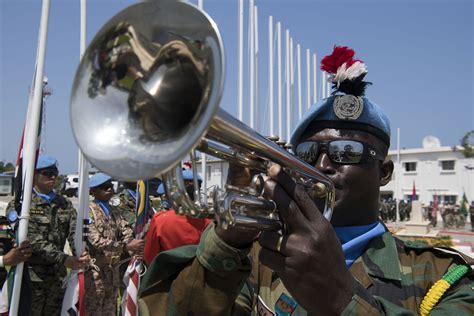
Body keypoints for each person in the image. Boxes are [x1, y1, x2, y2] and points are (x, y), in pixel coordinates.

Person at [137, 46, 473, 315]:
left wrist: (341, 299)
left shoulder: (443, 276)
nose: (324, 164)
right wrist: (225, 245)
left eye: (347, 150)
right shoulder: (256, 259)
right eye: (309, 152)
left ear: (384, 172)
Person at [6, 155, 89, 316]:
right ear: (34, 175)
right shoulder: (21, 204)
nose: (52, 177)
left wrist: (80, 251)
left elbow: (74, 231)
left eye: (55, 173)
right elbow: (33, 239)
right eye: (47, 173)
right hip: (31, 277)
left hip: (57, 278)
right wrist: (65, 259)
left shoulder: (64, 203)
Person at [85, 172, 144, 315]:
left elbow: (126, 231)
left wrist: (133, 245)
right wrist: (125, 247)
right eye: (104, 187)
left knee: (110, 308)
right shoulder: (88, 211)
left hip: (113, 270)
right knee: (94, 309)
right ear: (93, 191)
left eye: (110, 186)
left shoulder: (114, 211)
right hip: (95, 271)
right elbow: (96, 241)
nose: (109, 189)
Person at [143, 169, 212, 265]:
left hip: (166, 276)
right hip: (197, 276)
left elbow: (149, 257)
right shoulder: (208, 223)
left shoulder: (160, 220)